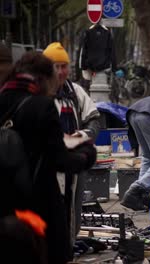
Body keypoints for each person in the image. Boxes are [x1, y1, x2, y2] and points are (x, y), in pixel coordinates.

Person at [0, 52, 97, 264]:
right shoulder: (42, 106)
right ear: (43, 78)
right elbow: (59, 160)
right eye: (56, 70)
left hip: (6, 207)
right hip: (39, 208)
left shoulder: (3, 98)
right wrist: (87, 155)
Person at [43, 42, 101, 249]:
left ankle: (69, 247)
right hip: (47, 166)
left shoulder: (75, 92)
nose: (60, 71)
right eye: (55, 66)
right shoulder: (38, 94)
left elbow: (94, 119)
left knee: (73, 211)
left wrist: (82, 135)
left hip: (73, 165)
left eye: (63, 66)